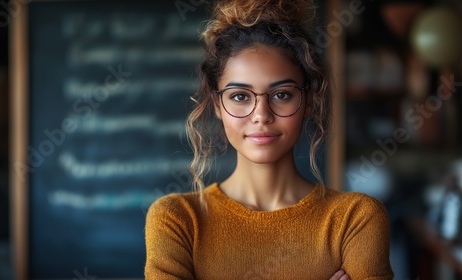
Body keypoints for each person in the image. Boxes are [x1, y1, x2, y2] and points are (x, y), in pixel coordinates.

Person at [145, 0, 394, 279]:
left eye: (282, 94)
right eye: (240, 97)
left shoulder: (355, 219)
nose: (261, 115)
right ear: (217, 104)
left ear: (309, 100)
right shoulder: (177, 220)